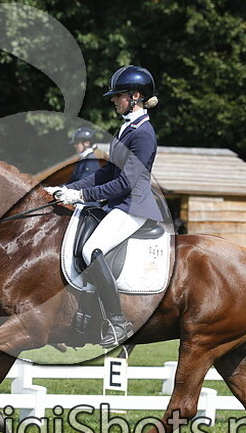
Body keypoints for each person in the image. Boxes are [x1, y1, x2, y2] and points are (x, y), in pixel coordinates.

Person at [45, 65, 163, 348]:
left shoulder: (144, 134)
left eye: (118, 96)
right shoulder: (127, 129)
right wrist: (66, 189)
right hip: (118, 204)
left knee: (91, 249)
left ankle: (118, 322)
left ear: (135, 97)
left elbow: (125, 183)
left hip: (133, 206)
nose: (114, 101)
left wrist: (82, 196)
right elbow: (105, 173)